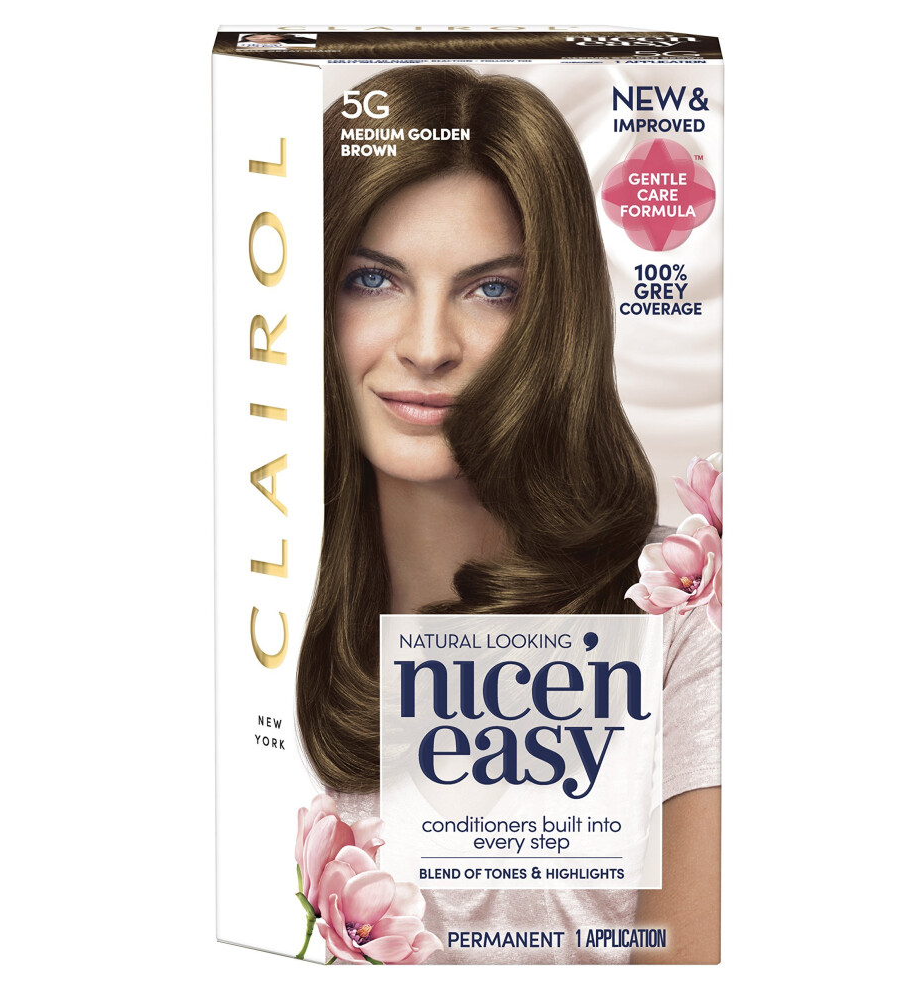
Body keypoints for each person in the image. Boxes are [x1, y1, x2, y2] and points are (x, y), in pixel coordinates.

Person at [296, 65, 720, 964]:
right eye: (373, 279)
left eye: (491, 290)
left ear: (555, 318)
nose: (427, 348)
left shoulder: (678, 619)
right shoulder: (257, 618)